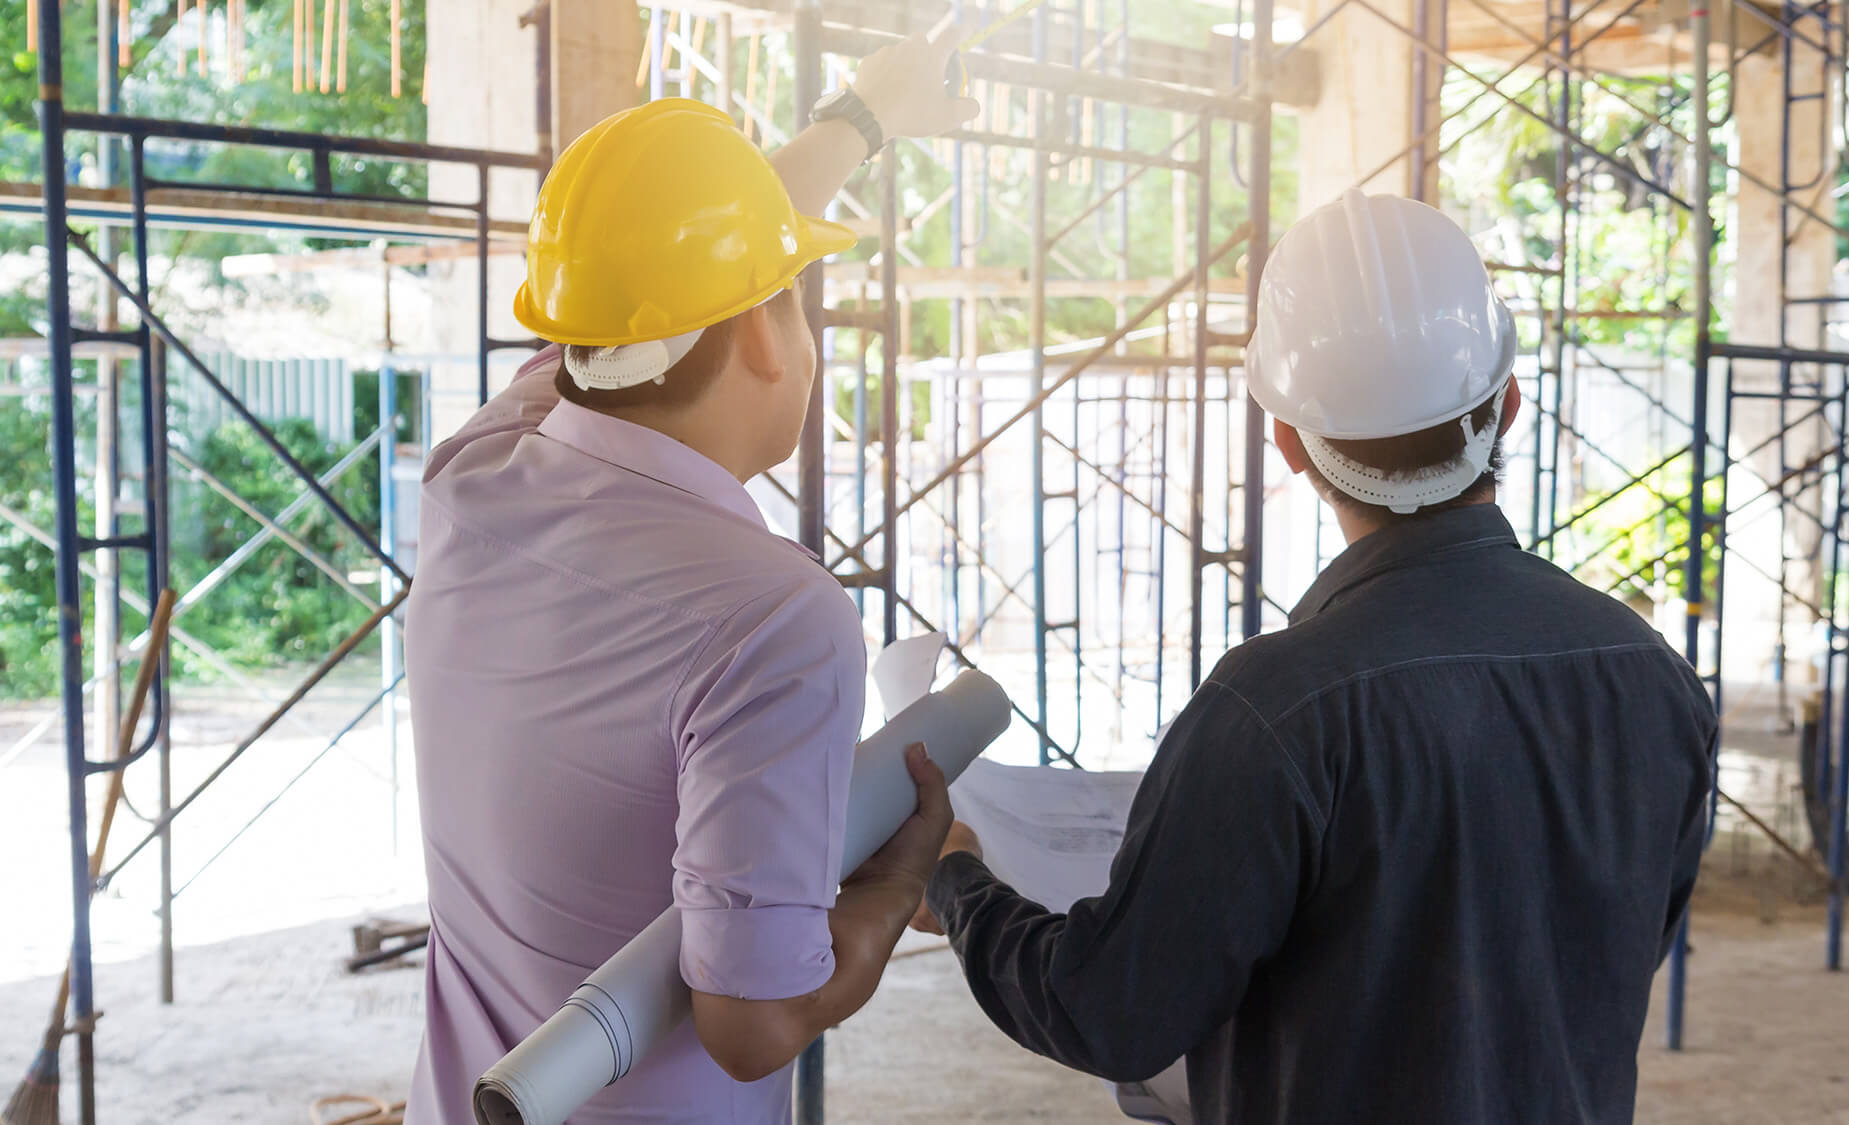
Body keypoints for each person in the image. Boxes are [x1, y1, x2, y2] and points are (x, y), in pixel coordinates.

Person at [916, 190, 1718, 1124]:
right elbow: (1611, 948)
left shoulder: (1277, 708)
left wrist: (957, 881)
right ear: (1507, 403)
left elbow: (1110, 1012)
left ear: (1288, 442)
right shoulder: (1653, 679)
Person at [400, 31, 978, 1125]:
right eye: (797, 295)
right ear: (766, 333)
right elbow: (749, 1022)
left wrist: (858, 120)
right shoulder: (773, 617)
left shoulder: (472, 474)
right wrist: (901, 876)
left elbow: (637, 292)